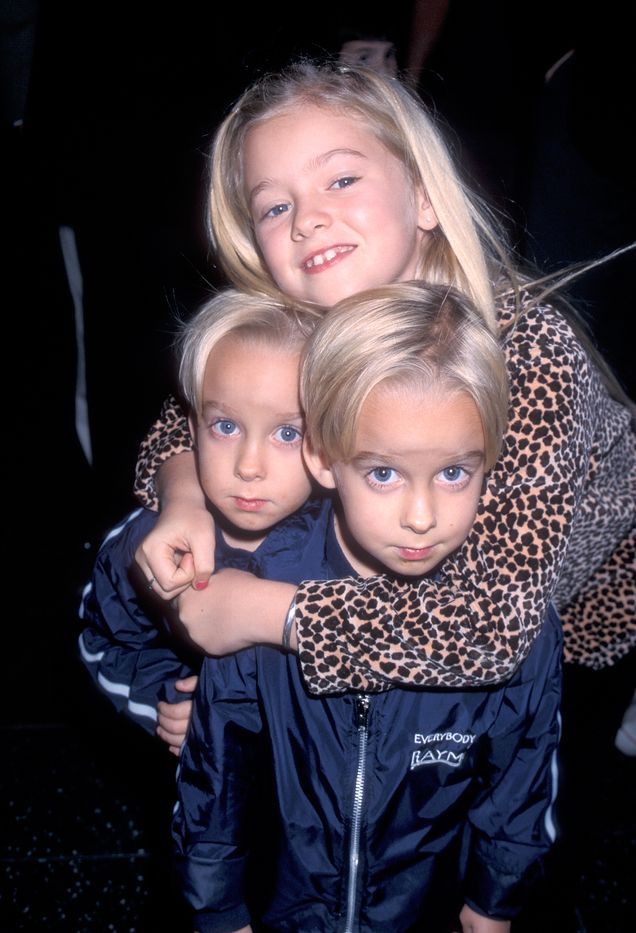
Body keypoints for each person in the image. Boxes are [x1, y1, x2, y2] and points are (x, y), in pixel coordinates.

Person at [133, 60, 635, 700]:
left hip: (574, 629)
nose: (306, 219)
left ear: (423, 195)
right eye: (275, 205)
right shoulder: (306, 321)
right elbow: (183, 427)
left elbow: (489, 630)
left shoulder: (531, 354)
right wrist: (182, 499)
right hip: (383, 598)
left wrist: (263, 613)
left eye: (340, 180)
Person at [173, 282, 563, 933]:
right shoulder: (260, 580)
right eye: (383, 472)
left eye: (453, 473)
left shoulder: (516, 620)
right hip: (281, 909)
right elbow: (216, 776)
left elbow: (523, 776)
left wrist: (494, 901)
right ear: (324, 457)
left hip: (420, 910)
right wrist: (218, 908)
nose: (420, 517)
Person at [78, 288, 321, 754]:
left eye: (288, 433)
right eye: (226, 427)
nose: (249, 466)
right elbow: (103, 641)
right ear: (191, 432)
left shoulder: (352, 543)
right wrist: (164, 699)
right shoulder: (144, 543)